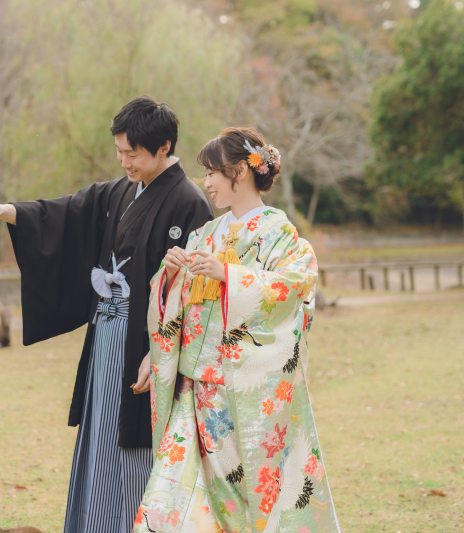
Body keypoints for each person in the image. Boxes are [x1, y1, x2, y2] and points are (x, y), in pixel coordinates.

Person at [0, 95, 213, 533]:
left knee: (136, 443)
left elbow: (195, 295)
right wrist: (1, 210)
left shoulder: (189, 202)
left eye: (132, 153)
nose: (124, 162)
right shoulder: (120, 192)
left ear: (164, 147)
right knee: (101, 432)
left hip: (148, 345)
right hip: (107, 335)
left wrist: (159, 352)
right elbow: (64, 213)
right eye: (119, 151)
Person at [134, 127, 340, 533]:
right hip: (193, 388)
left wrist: (229, 275)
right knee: (173, 492)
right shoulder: (205, 234)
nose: (206, 182)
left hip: (241, 388)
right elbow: (179, 307)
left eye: (213, 172)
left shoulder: (277, 233)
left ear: (240, 172)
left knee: (241, 495)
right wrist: (171, 276)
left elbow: (294, 288)